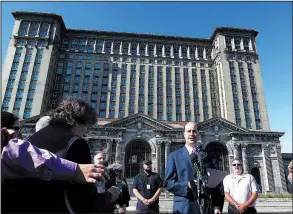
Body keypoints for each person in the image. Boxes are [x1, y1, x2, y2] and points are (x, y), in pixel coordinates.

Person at [2, 98, 120, 213]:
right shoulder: (76, 143)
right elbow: (86, 204)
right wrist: (110, 195)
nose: (85, 133)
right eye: (86, 127)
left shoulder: (31, 139)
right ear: (77, 122)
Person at [1, 112, 104, 184]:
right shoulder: (75, 146)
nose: (17, 133)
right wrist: (76, 170)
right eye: (17, 128)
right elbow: (26, 156)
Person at [164, 122, 201, 214]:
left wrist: (217, 206)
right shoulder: (174, 156)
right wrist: (187, 185)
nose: (191, 134)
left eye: (194, 131)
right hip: (184, 207)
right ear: (184, 134)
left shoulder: (207, 155)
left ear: (198, 134)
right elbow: (168, 183)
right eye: (189, 131)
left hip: (205, 207)